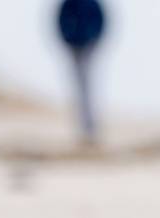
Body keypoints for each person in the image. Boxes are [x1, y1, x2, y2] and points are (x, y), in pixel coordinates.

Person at [57, 0, 106, 144]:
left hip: (89, 47)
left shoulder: (92, 4)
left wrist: (94, 40)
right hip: (73, 47)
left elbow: (101, 23)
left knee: (89, 85)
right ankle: (82, 127)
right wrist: (67, 39)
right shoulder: (69, 4)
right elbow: (61, 22)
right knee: (78, 86)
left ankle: (91, 127)